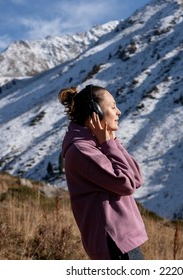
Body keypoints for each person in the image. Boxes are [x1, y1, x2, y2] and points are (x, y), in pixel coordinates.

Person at [59, 84, 148, 260]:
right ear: (96, 112)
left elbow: (136, 178)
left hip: (122, 242)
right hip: (113, 243)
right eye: (113, 106)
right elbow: (127, 184)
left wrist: (111, 141)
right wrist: (108, 143)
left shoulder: (97, 143)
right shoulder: (82, 150)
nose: (119, 112)